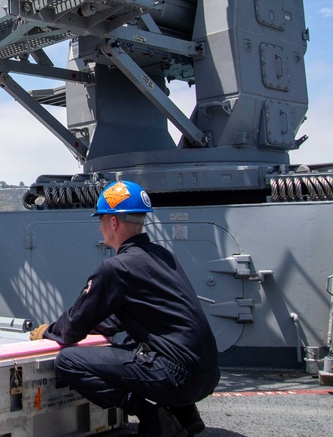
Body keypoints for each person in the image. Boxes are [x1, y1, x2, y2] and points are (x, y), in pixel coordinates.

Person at [30, 180, 218, 437]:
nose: (100, 226)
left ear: (113, 222)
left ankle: (153, 416)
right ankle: (184, 413)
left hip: (178, 377)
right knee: (132, 343)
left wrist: (47, 332)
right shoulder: (162, 256)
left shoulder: (116, 268)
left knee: (69, 362)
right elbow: (125, 317)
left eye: (102, 220)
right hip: (207, 374)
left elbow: (72, 327)